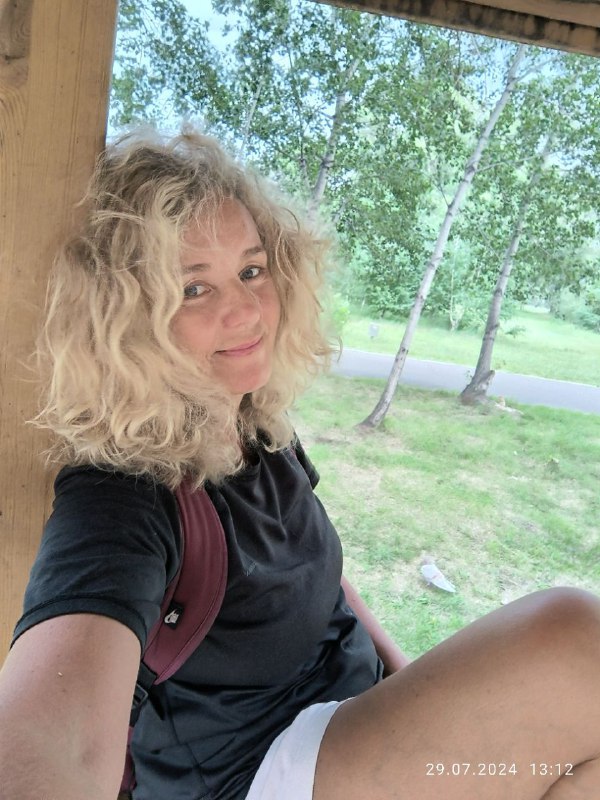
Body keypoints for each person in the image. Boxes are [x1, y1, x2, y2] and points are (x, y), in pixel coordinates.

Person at [0, 127, 598, 800]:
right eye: (193, 288)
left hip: (356, 718)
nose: (245, 308)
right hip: (259, 774)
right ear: (128, 315)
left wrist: (409, 680)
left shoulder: (262, 430)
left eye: (251, 271)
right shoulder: (122, 494)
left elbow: (327, 584)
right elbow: (56, 743)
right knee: (576, 639)